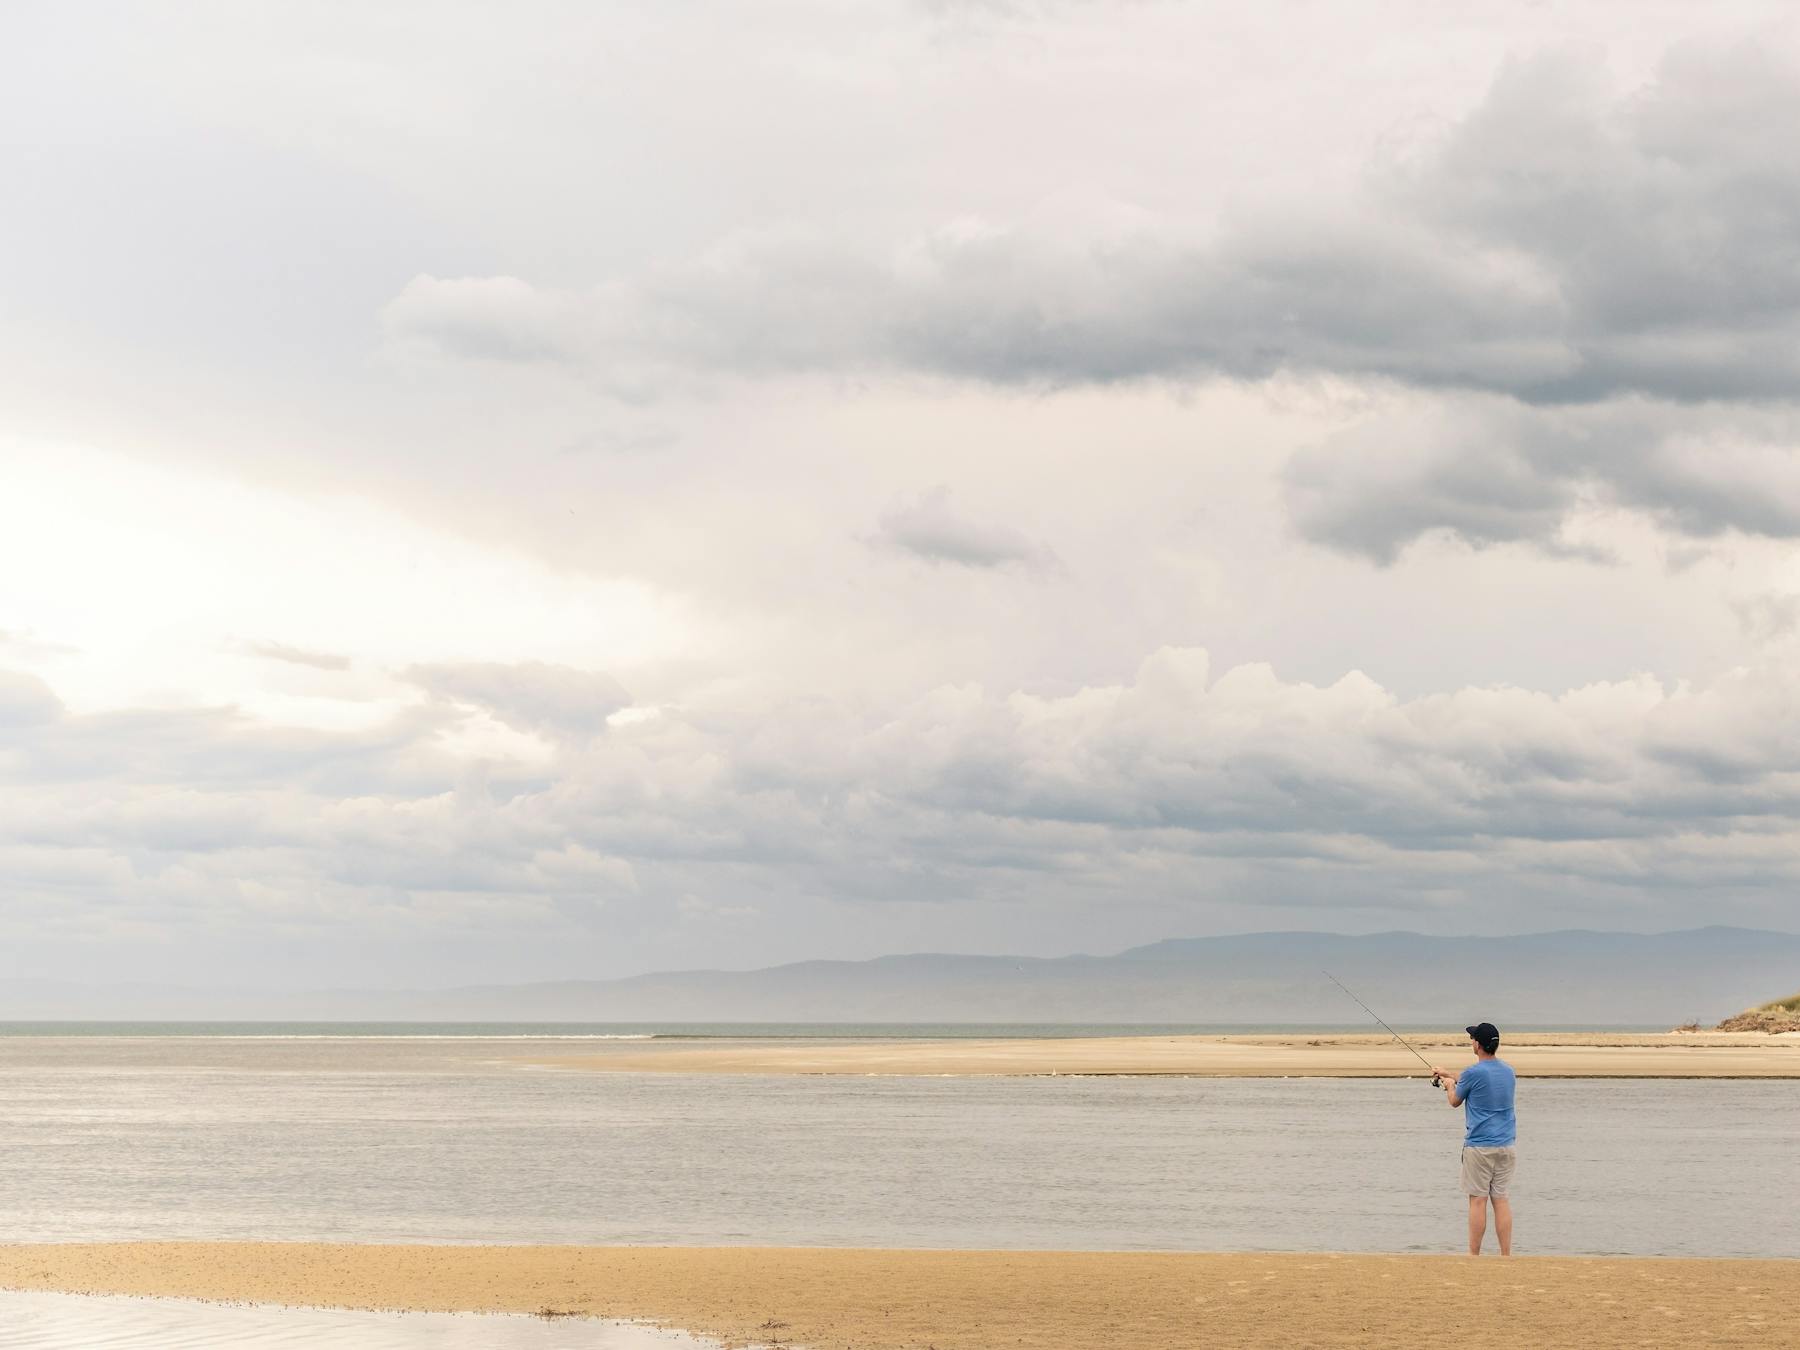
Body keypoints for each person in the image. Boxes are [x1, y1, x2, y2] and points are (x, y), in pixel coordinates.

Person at [1431, 1022, 1516, 1256]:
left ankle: (1474, 1256)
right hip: (1506, 1145)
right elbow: (1477, 1079)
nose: (1471, 1042)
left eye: (1472, 1039)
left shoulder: (1472, 1073)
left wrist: (1449, 1085)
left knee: (1477, 1201)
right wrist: (1450, 1074)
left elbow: (1455, 1101)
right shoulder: (1508, 1071)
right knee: (1501, 1200)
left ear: (1478, 1045)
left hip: (1479, 1147)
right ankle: (1506, 1255)